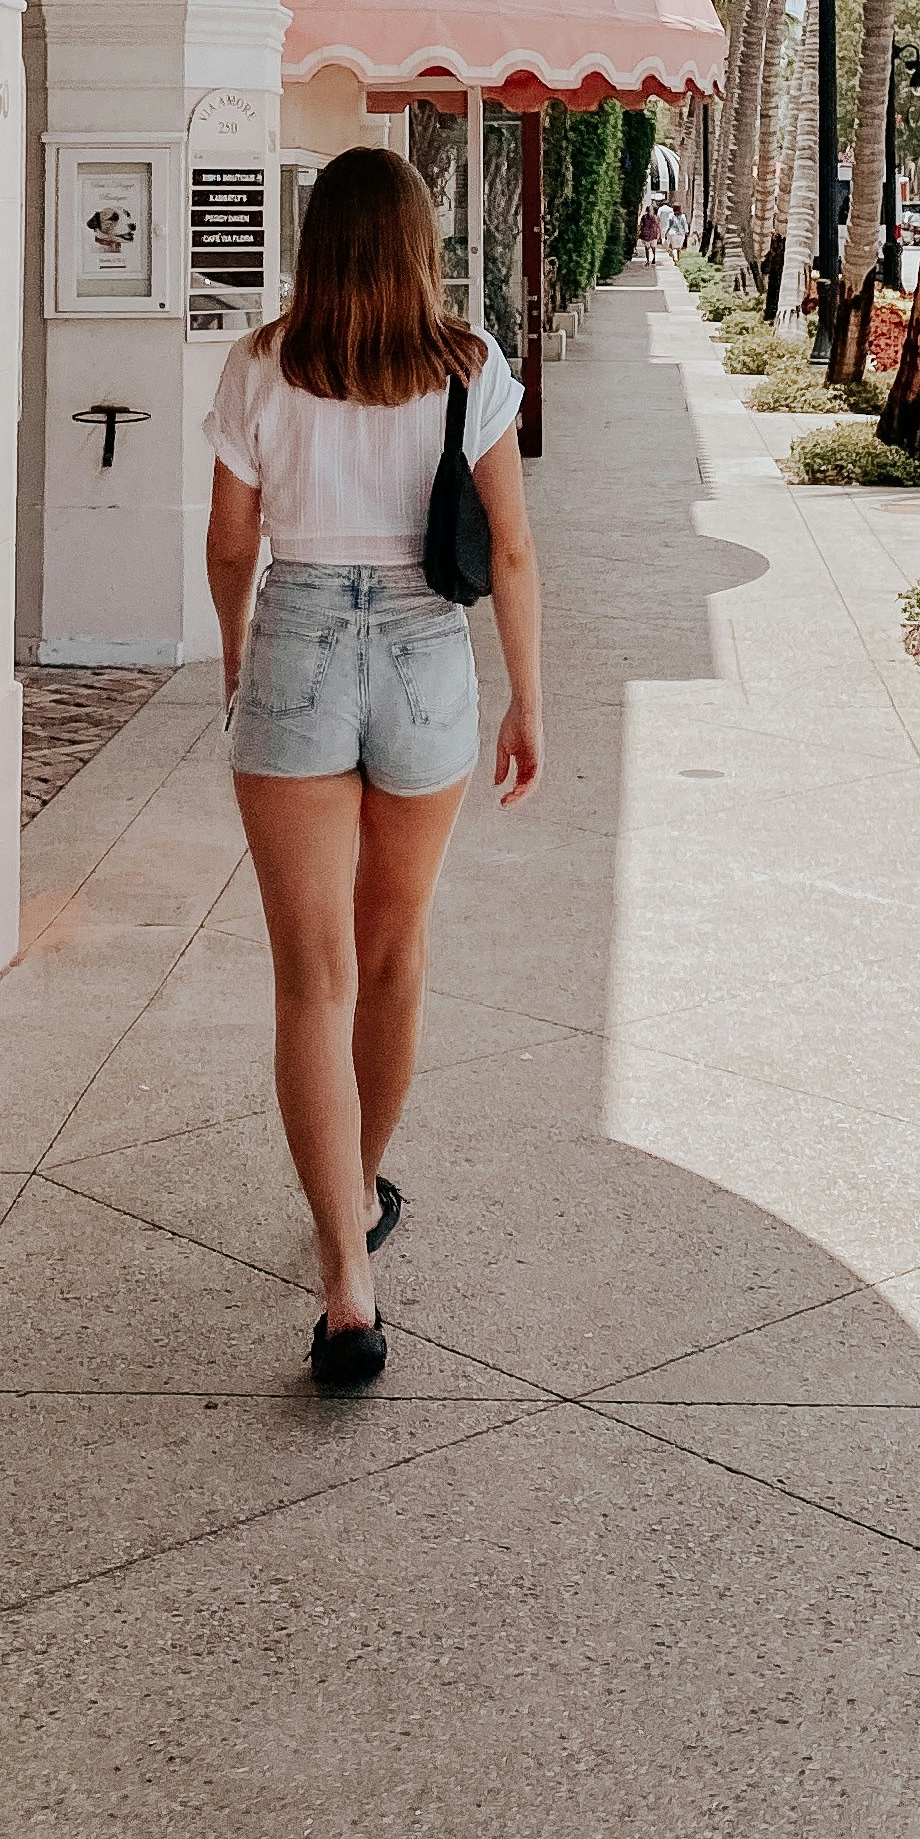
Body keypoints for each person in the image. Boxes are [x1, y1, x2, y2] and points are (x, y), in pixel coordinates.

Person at [205, 148, 544, 1392]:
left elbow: (231, 542)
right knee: (393, 949)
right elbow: (510, 550)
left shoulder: (262, 363)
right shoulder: (470, 366)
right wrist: (527, 701)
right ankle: (355, 1193)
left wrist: (238, 661)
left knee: (312, 977)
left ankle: (349, 1282)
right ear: (418, 241)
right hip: (424, 655)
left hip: (297, 636)